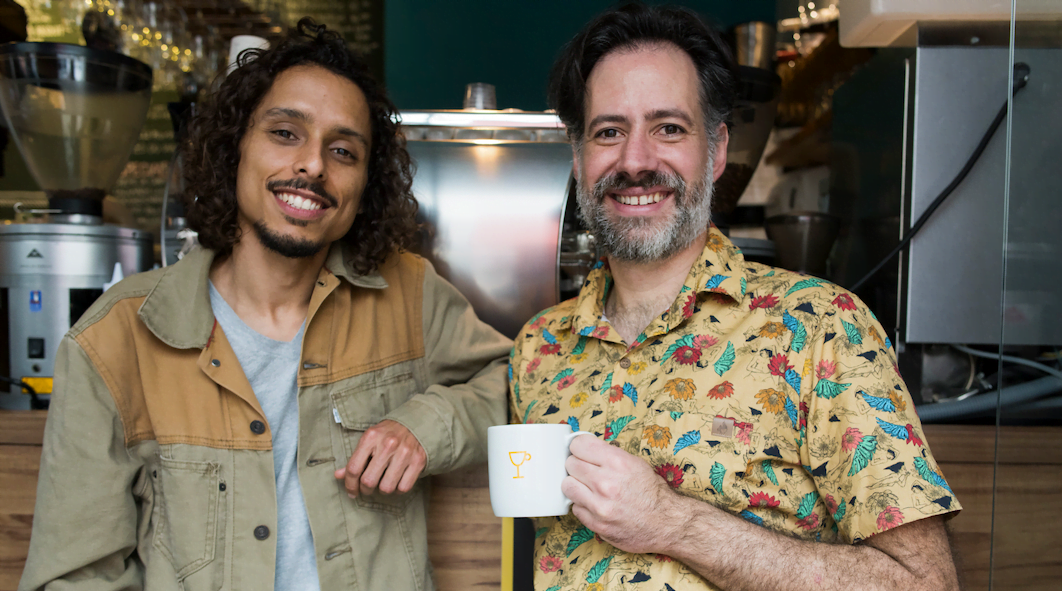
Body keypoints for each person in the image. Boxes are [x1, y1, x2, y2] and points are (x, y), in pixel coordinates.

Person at [20, 19, 509, 591]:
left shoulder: (408, 293)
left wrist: (429, 423)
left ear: (364, 187)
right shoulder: (113, 342)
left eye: (344, 150)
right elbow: (75, 577)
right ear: (235, 149)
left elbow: (516, 382)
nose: (313, 165)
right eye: (285, 133)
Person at [509, 4, 962, 590]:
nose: (636, 160)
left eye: (669, 128)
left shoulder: (820, 327)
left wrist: (673, 522)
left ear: (716, 150)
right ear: (578, 156)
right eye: (608, 132)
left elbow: (926, 585)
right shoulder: (538, 349)